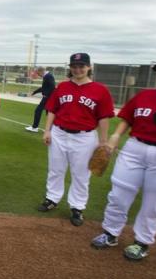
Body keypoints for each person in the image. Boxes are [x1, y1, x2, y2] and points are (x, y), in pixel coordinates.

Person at [90, 56, 156, 261]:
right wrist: (113, 140)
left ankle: (142, 242)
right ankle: (110, 233)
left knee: (154, 203)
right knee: (118, 195)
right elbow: (126, 120)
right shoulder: (144, 96)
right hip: (135, 150)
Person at [37, 53, 114, 226]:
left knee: (81, 174)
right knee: (56, 169)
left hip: (85, 137)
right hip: (59, 133)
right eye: (74, 66)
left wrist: (103, 141)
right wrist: (47, 130)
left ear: (89, 67)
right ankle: (52, 199)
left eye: (81, 66)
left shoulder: (100, 90)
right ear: (70, 68)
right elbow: (52, 110)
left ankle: (77, 207)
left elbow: (103, 118)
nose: (78, 69)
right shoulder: (63, 87)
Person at [25, 66, 55, 132]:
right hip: (48, 97)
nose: (38, 75)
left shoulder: (48, 76)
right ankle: (50, 129)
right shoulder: (47, 76)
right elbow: (43, 88)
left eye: (38, 73)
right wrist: (34, 92)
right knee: (48, 113)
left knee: (38, 111)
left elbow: (53, 87)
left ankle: (35, 127)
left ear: (41, 71)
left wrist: (47, 95)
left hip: (48, 98)